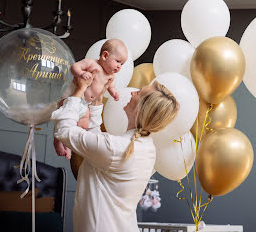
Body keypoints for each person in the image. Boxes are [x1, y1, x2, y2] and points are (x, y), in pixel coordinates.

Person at [51, 73, 179, 232]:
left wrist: (79, 90)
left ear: (141, 109)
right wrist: (97, 100)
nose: (132, 92)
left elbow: (64, 131)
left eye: (138, 93)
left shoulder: (116, 148)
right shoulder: (146, 148)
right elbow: (99, 145)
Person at [54, 39, 128, 159]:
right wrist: (81, 74)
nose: (119, 66)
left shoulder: (110, 75)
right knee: (65, 118)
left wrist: (113, 92)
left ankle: (68, 143)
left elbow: (110, 86)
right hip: (73, 96)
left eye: (122, 64)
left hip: (85, 104)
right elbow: (74, 67)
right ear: (105, 55)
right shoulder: (92, 64)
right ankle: (57, 141)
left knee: (83, 125)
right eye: (118, 61)